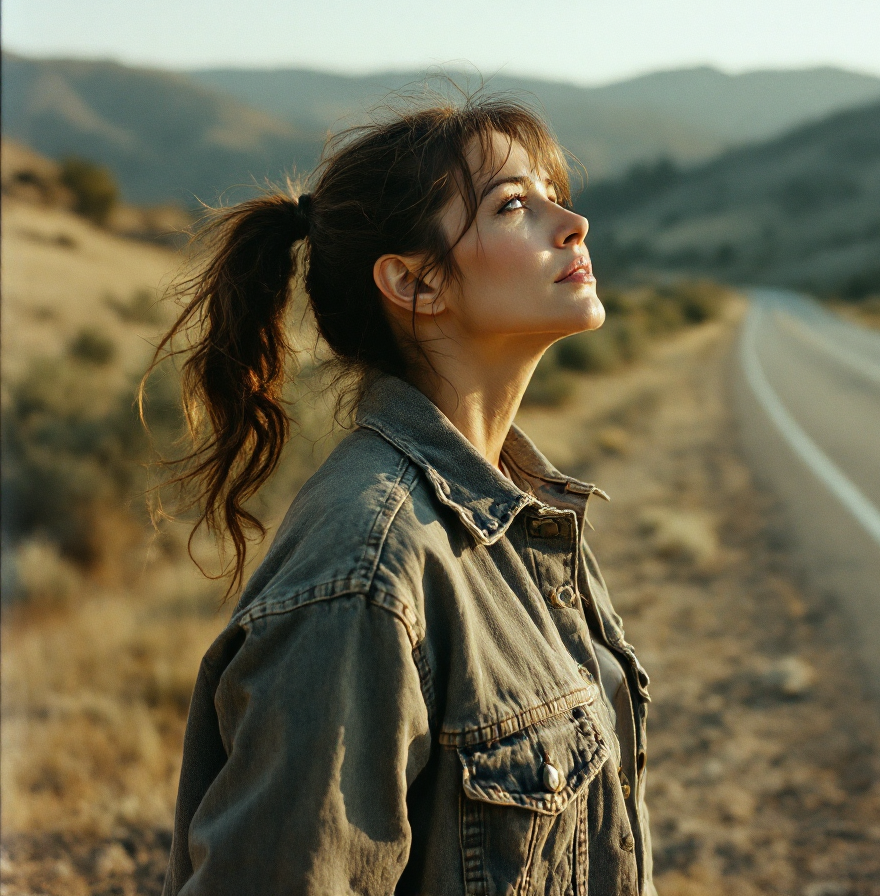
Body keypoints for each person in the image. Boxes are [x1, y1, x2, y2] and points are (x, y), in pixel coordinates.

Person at [157, 98, 654, 895]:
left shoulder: (522, 512)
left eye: (553, 192)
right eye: (515, 205)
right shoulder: (367, 570)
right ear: (415, 281)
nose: (574, 223)